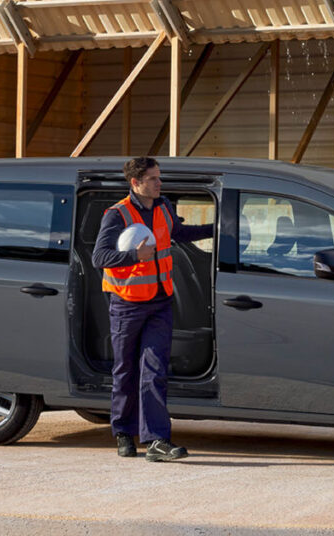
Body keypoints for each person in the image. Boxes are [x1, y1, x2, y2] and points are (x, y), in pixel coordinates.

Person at [92, 157, 213, 462]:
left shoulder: (163, 207)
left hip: (160, 301)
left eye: (159, 178)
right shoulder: (117, 214)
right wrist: (135, 255)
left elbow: (178, 234)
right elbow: (99, 257)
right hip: (127, 304)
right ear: (135, 183)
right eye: (153, 179)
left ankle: (157, 440)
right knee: (125, 371)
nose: (160, 184)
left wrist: (215, 228)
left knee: (155, 371)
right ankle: (122, 432)